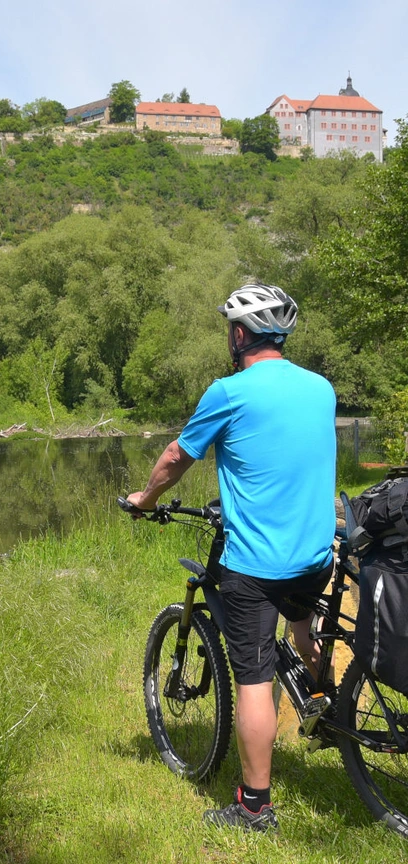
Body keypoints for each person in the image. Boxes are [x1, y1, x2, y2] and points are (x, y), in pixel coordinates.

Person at [126, 283, 336, 832]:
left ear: (240, 335)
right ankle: (328, 707)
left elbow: (177, 455)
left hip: (258, 566)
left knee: (253, 679)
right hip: (316, 555)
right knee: (303, 630)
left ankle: (254, 807)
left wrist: (144, 499)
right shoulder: (321, 388)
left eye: (229, 329)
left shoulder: (228, 392)